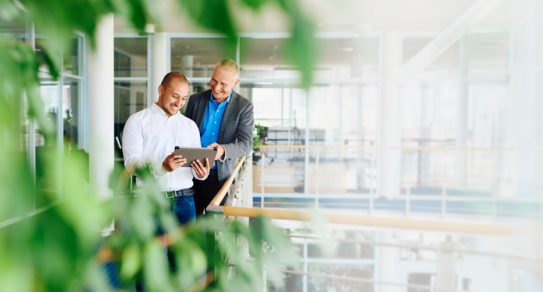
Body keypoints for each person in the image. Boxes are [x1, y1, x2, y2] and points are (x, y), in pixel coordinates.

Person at [122, 72, 211, 224]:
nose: (179, 103)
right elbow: (131, 164)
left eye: (183, 98)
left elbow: (197, 167)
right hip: (151, 201)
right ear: (161, 90)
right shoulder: (137, 121)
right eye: (175, 96)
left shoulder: (189, 126)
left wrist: (202, 173)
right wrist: (161, 167)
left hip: (186, 201)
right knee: (155, 249)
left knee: (186, 249)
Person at [185, 59, 254, 215]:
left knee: (213, 230)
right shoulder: (195, 100)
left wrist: (222, 150)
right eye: (214, 80)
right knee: (190, 227)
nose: (216, 88)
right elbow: (183, 134)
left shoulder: (244, 107)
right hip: (190, 173)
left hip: (219, 178)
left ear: (235, 82)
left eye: (223, 84)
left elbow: (246, 144)